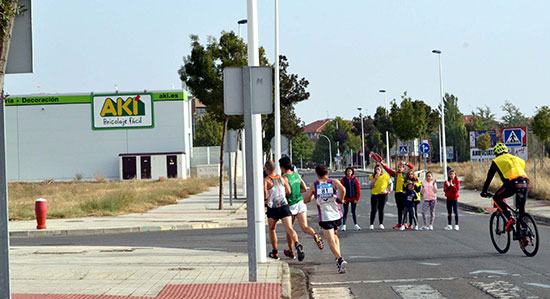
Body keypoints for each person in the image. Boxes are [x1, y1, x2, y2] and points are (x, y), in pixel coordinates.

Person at [304, 164, 348, 273]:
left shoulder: (315, 185)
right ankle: (338, 257)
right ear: (327, 173)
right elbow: (343, 189)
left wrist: (313, 195)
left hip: (325, 217)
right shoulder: (333, 182)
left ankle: (340, 259)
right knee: (335, 235)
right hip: (337, 215)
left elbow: (306, 200)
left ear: (317, 174)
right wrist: (340, 199)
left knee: (330, 240)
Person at [279, 157, 325, 260]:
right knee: (304, 227)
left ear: (281, 167)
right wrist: (297, 192)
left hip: (290, 205)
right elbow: (304, 188)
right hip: (300, 202)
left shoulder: (284, 178)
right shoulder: (297, 175)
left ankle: (293, 250)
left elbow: (288, 192)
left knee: (289, 229)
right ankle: (314, 234)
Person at [481, 142, 529, 233]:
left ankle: (509, 217)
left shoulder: (497, 161)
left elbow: (489, 178)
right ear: (507, 151)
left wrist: (484, 191)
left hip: (511, 184)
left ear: (496, 153)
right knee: (521, 210)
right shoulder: (517, 158)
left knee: (497, 197)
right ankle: (525, 233)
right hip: (524, 183)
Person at [263, 160, 305, 261]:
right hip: (284, 206)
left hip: (273, 208)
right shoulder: (282, 178)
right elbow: (289, 191)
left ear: (267, 169)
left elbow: (264, 193)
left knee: (272, 229)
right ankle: (297, 243)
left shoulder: (266, 180)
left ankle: (275, 252)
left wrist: (265, 201)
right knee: (290, 228)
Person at [381, 161, 414, 229]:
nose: (399, 168)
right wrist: (383, 165)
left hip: (404, 193)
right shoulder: (396, 174)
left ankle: (404, 223)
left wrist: (405, 163)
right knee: (399, 209)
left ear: (403, 168)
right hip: (397, 193)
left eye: (401, 167)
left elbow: (412, 168)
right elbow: (388, 170)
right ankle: (399, 223)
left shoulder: (405, 174)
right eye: (398, 167)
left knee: (404, 209)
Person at [368, 164, 391, 230]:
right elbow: (370, 186)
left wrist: (389, 190)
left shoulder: (386, 176)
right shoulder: (372, 176)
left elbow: (390, 183)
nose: (377, 170)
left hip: (383, 195)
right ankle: (371, 224)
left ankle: (381, 223)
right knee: (374, 209)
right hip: (375, 194)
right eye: (376, 169)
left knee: (381, 209)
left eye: (379, 169)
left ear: (381, 169)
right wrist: (375, 178)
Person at [340, 167, 361, 231]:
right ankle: (344, 225)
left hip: (353, 198)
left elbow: (358, 189)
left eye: (350, 171)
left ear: (352, 172)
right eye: (348, 171)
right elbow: (341, 190)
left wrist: (357, 199)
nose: (349, 172)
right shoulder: (343, 180)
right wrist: (342, 199)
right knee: (345, 212)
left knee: (353, 211)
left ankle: (356, 225)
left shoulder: (355, 179)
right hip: (346, 198)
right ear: (346, 172)